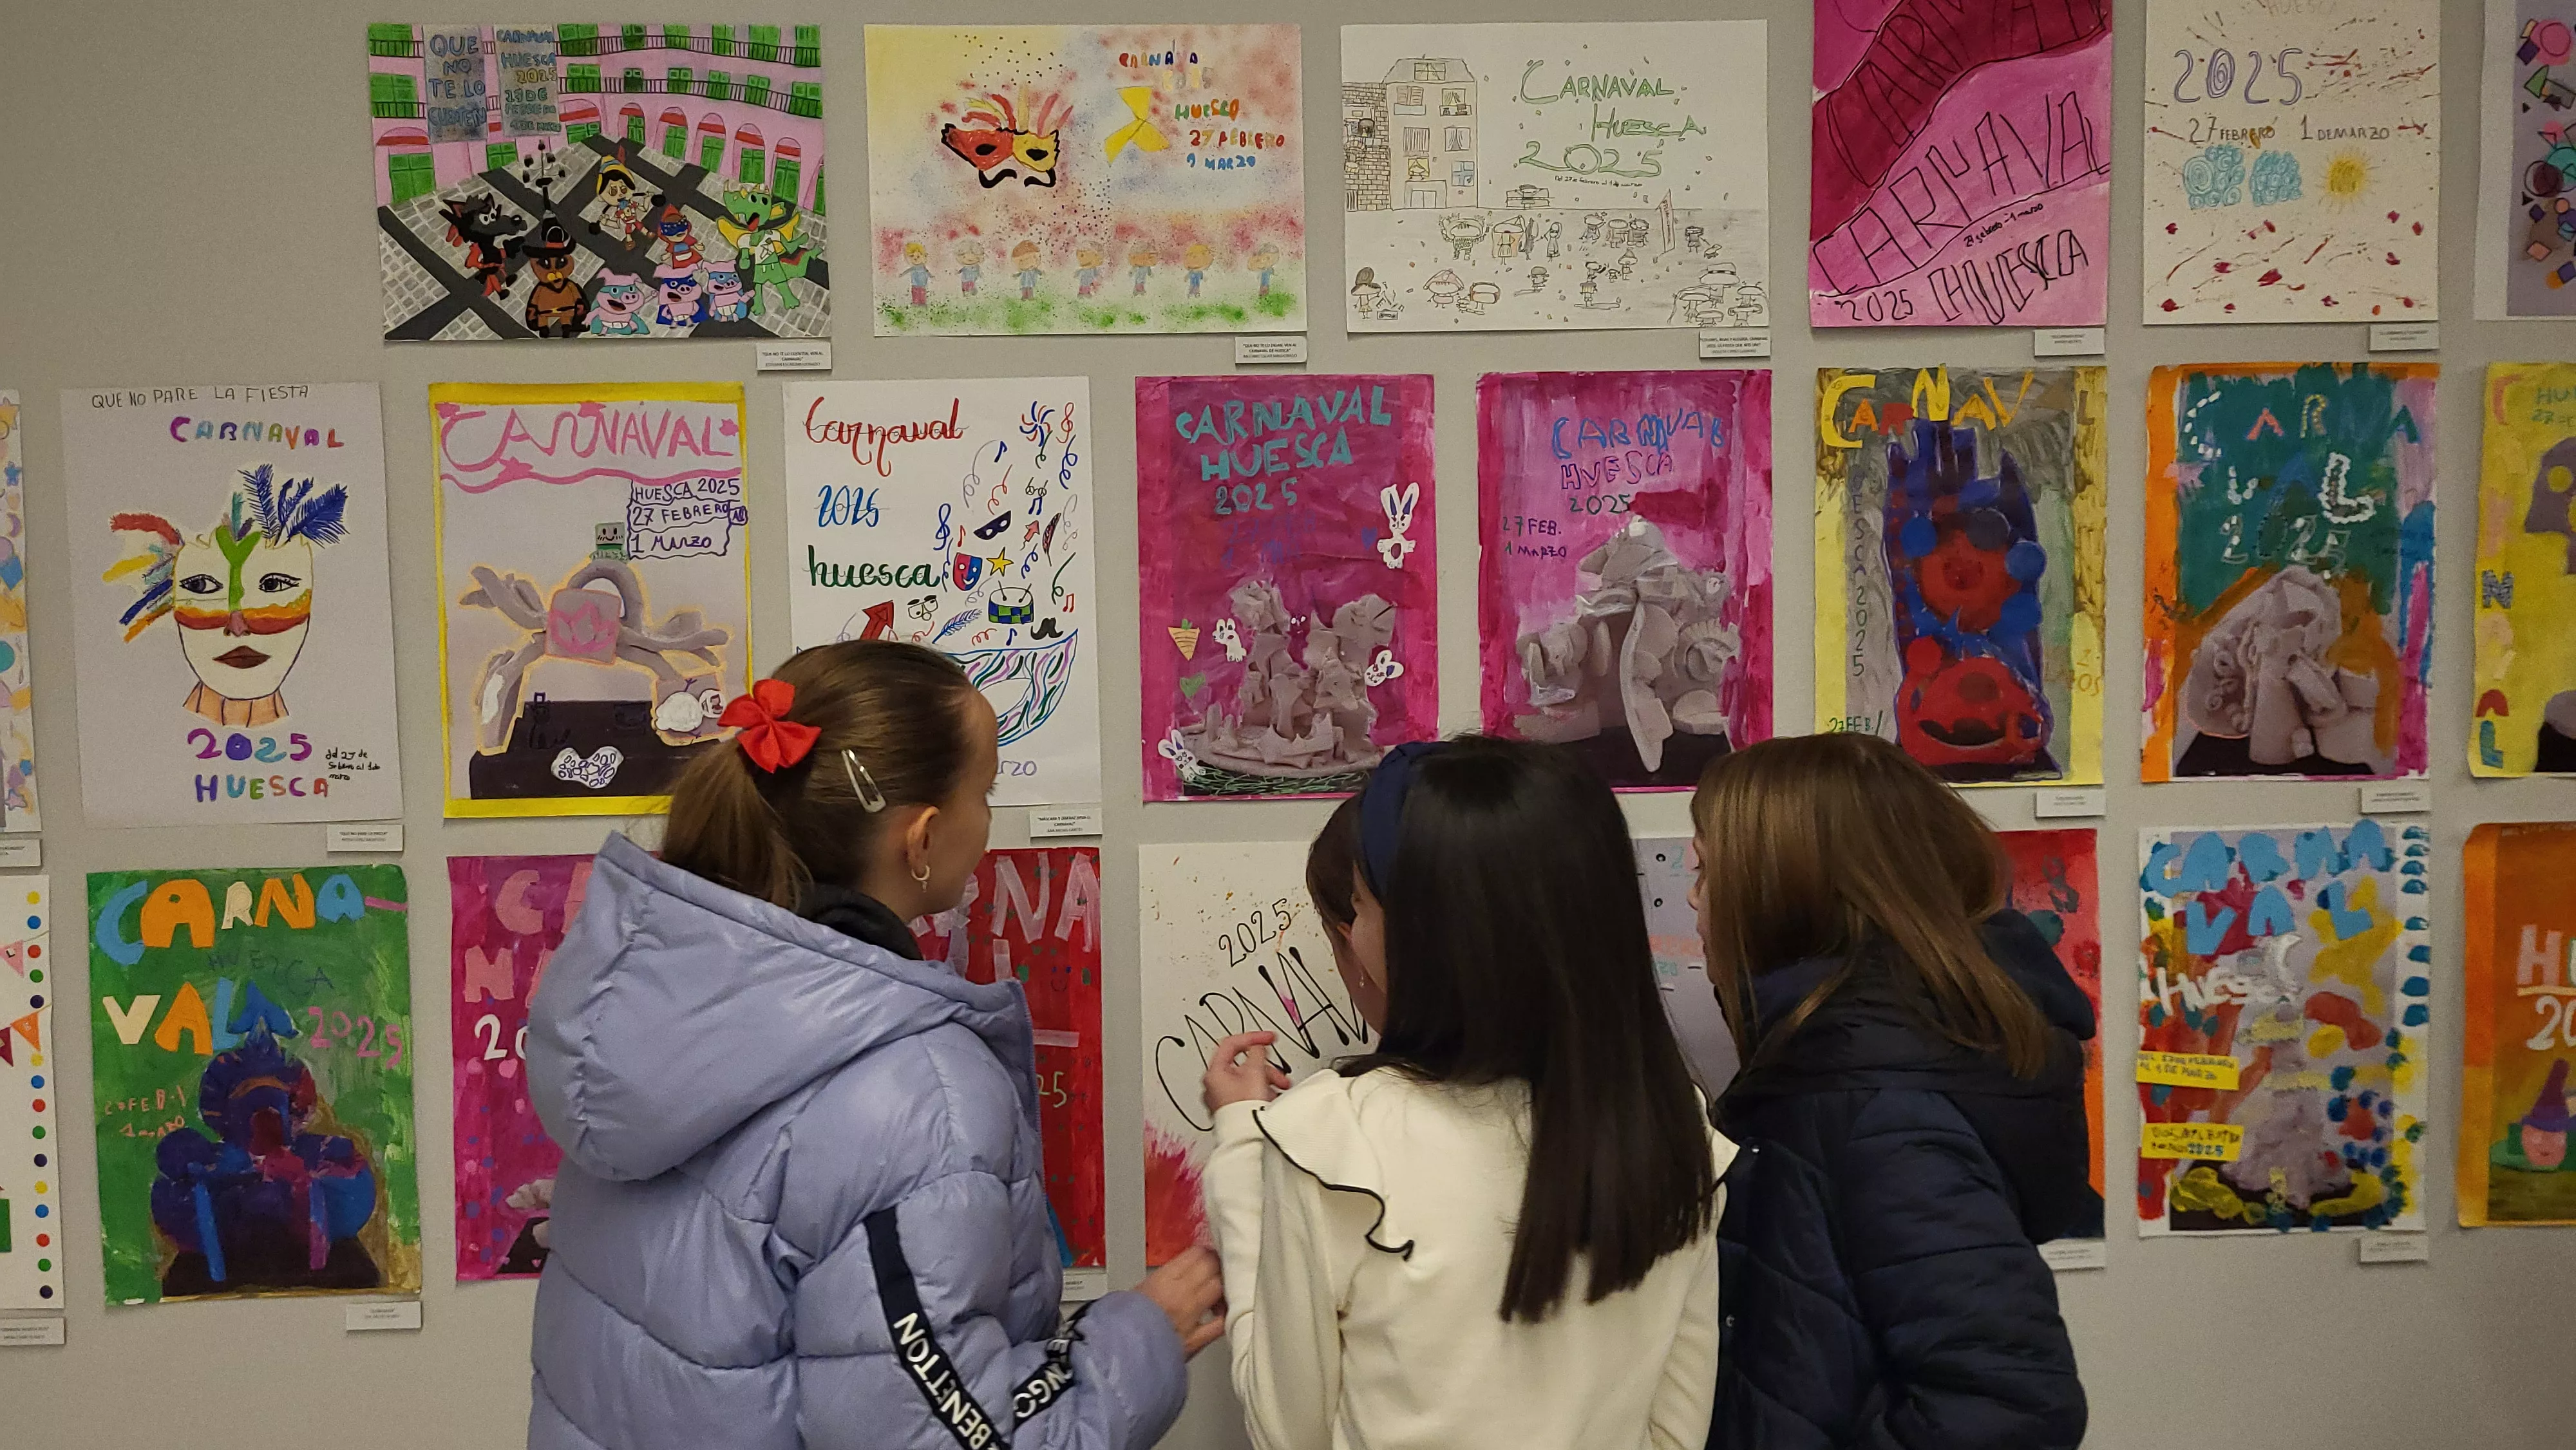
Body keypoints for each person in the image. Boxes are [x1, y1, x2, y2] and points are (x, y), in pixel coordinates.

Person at [523, 641, 1219, 1450]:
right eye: (984, 792)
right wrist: (1141, 1340)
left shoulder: (644, 1016)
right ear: (921, 838)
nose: (988, 820)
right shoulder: (919, 1096)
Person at [1201, 737, 1731, 1450]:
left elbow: (1284, 1429)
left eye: (1359, 907)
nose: (1352, 938)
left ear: (1432, 936)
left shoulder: (1334, 1138)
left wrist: (1241, 1143)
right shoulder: (1674, 1127)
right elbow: (1676, 1427)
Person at [1690, 733, 2094, 1449]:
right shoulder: (1837, 1067)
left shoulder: (1876, 1104)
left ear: (1781, 891)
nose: (1693, 902)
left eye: (1706, 873)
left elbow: (2012, 1403)